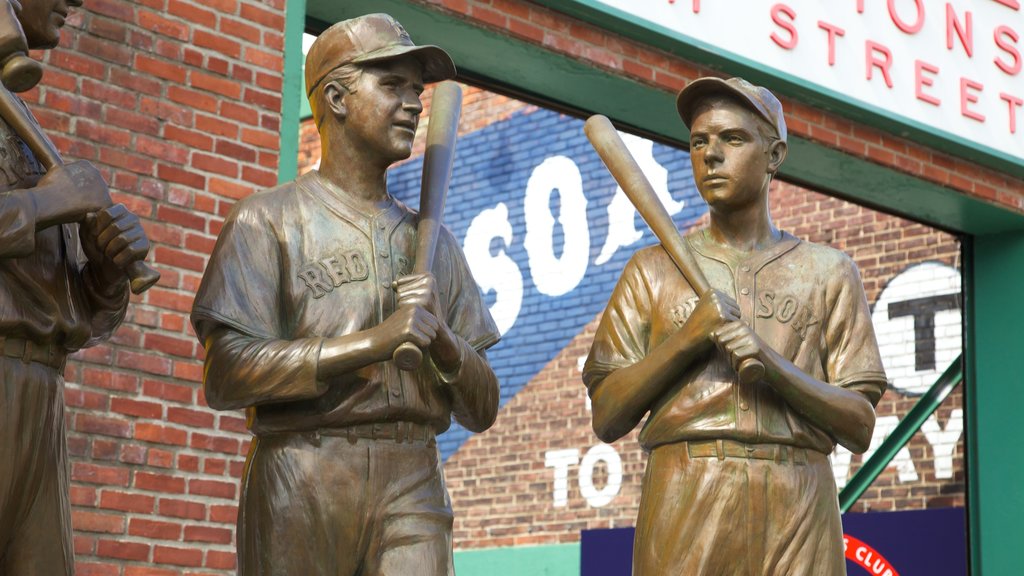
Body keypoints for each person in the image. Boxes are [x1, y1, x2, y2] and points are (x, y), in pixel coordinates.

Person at [191, 13, 500, 576]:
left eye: (417, 90)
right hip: (303, 469)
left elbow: (482, 408)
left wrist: (447, 344)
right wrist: (371, 344)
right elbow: (226, 374)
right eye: (392, 85)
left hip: (413, 474)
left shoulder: (435, 244)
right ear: (335, 97)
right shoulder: (267, 222)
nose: (413, 103)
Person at [583, 77, 887, 575]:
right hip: (688, 489)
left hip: (799, 496)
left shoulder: (828, 270)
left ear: (775, 155)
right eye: (699, 142)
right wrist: (688, 339)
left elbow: (858, 423)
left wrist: (771, 366)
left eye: (733, 139)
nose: (711, 155)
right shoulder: (651, 269)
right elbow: (608, 414)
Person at [0, 0, 151, 574]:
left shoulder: (18, 124)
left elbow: (79, 317)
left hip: (40, 392)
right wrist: (46, 203)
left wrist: (107, 271)